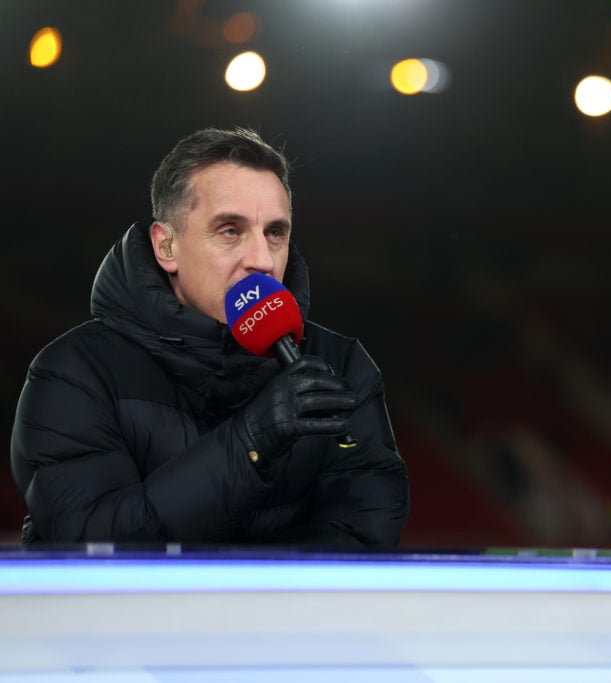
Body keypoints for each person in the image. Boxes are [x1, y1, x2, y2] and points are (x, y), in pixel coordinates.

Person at [10, 126, 409, 546]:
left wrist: (245, 607)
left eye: (275, 232)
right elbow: (89, 538)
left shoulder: (341, 363)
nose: (261, 260)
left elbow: (365, 532)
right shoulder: (74, 372)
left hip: (282, 614)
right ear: (166, 248)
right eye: (230, 230)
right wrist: (250, 442)